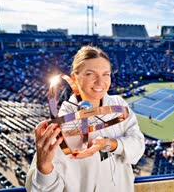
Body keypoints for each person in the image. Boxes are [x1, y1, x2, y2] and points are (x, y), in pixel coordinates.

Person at [26, 46, 145, 192]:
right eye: (90, 74)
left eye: (106, 74)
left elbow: (138, 145)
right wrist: (43, 166)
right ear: (74, 78)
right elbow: (41, 190)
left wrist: (110, 144)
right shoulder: (60, 126)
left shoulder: (119, 104)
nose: (100, 82)